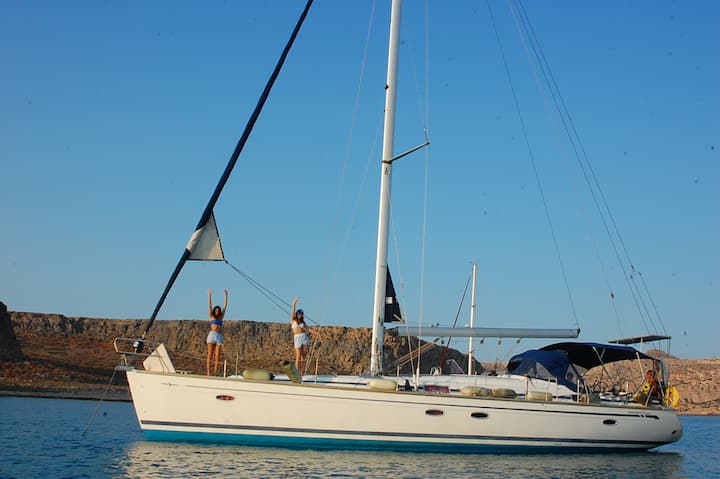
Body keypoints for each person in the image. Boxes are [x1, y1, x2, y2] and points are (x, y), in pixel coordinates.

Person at [207, 289, 228, 376]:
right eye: (216, 310)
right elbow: (210, 306)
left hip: (219, 335)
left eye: (218, 310)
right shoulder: (211, 316)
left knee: (217, 356)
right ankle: (208, 372)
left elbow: (225, 307)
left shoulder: (221, 317)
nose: (217, 311)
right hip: (212, 335)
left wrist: (226, 296)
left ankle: (215, 373)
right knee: (210, 354)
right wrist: (210, 295)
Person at [291, 296, 311, 373]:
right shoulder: (293, 320)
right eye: (299, 314)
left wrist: (317, 333)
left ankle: (302, 372)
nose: (300, 315)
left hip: (304, 336)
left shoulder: (303, 322)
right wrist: (294, 303)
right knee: (298, 355)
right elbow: (293, 311)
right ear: (297, 314)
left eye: (301, 314)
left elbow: (308, 329)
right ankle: (297, 371)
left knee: (303, 356)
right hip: (297, 337)